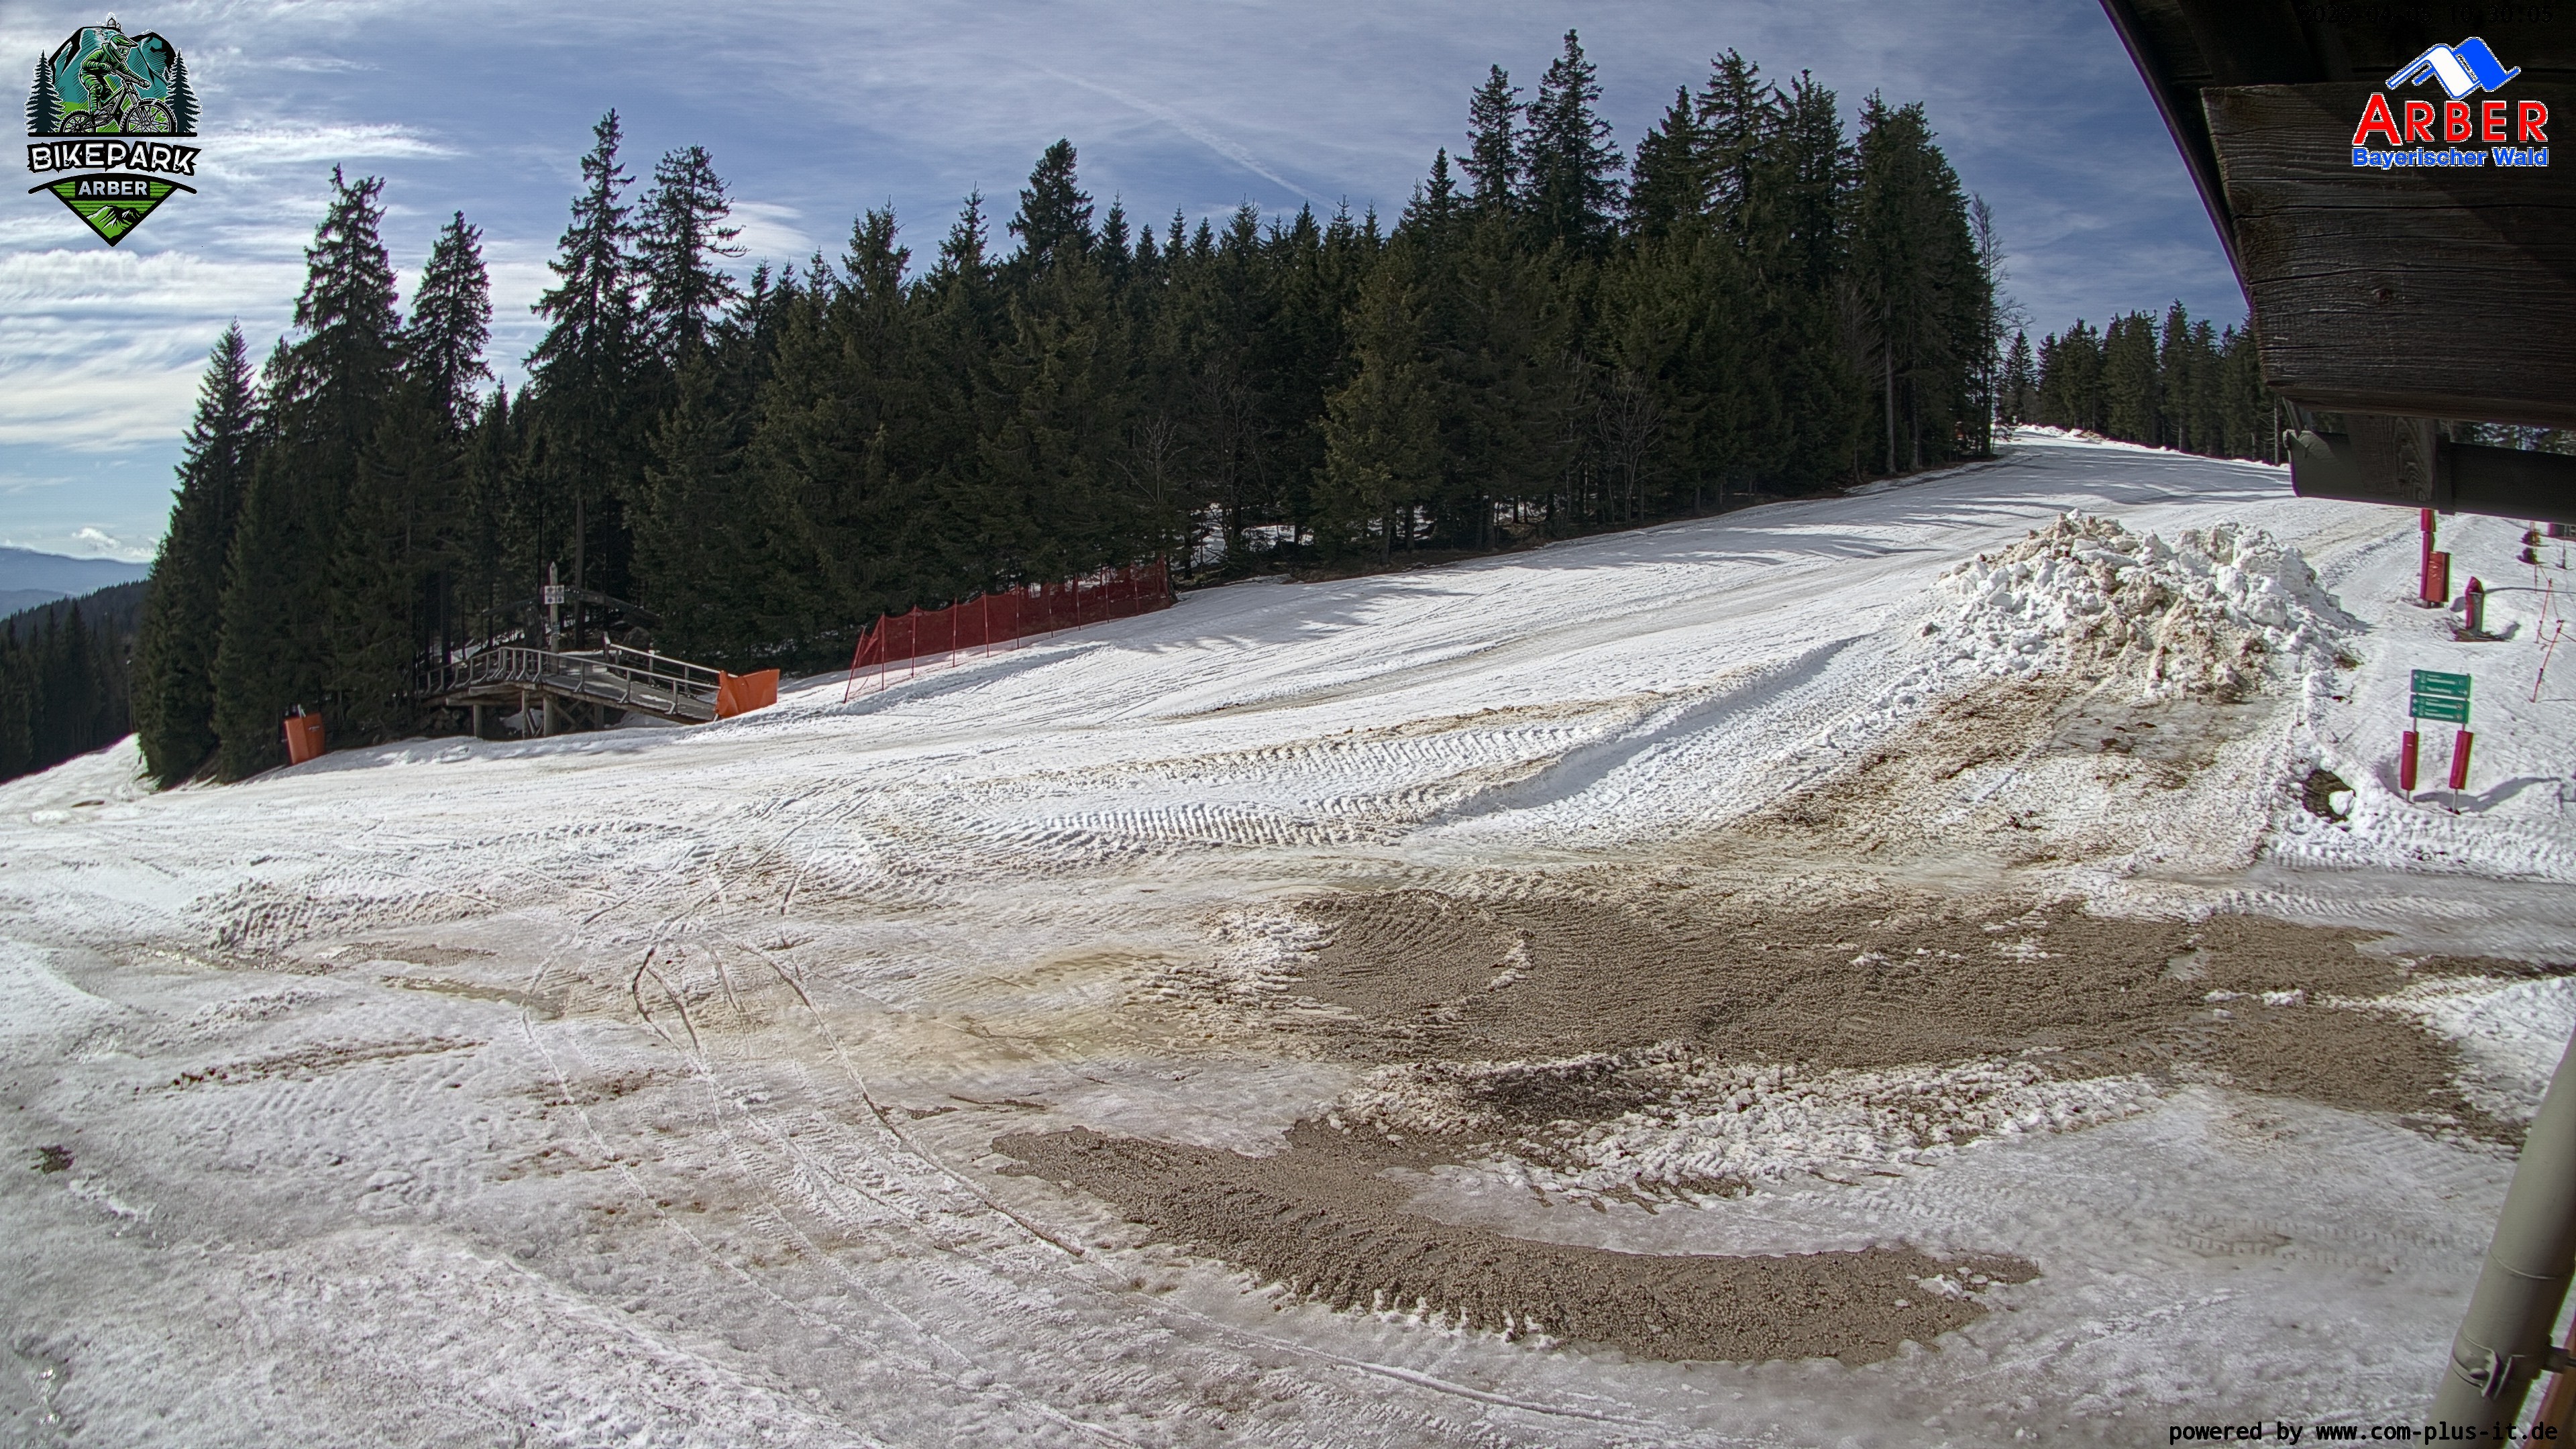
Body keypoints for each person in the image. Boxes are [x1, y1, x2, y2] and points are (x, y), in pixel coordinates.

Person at [76, 19, 148, 126]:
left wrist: (140, 81)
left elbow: (128, 72)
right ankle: (94, 112)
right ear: (114, 48)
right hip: (88, 74)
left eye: (127, 52)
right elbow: (85, 64)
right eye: (122, 50)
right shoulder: (101, 53)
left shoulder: (119, 62)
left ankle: (123, 128)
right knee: (97, 87)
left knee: (114, 105)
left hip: (100, 77)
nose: (125, 54)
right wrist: (102, 65)